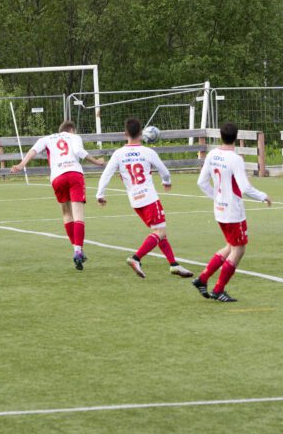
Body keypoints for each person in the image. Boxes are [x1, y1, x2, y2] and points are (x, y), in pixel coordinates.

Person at [96, 118, 194, 280]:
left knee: (159, 231)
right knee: (160, 231)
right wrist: (166, 182)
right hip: (149, 197)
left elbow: (106, 174)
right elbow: (165, 171)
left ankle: (174, 265)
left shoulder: (118, 154)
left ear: (125, 134)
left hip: (135, 200)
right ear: (141, 134)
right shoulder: (148, 152)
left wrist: (100, 194)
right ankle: (136, 258)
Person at [193, 122, 272, 302]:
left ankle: (202, 279)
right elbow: (244, 187)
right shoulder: (235, 159)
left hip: (219, 209)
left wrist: (217, 197)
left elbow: (201, 182)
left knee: (230, 246)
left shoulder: (212, 154)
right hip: (233, 211)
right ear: (236, 137)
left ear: (221, 136)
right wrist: (263, 196)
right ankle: (218, 289)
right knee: (239, 249)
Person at [11, 121, 104, 270]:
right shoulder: (74, 137)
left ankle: (76, 250)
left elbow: (33, 151)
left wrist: (21, 165)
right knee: (78, 214)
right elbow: (79, 151)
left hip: (57, 177)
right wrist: (97, 161)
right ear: (71, 130)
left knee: (67, 213)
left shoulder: (46, 138)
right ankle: (78, 250)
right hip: (74, 174)